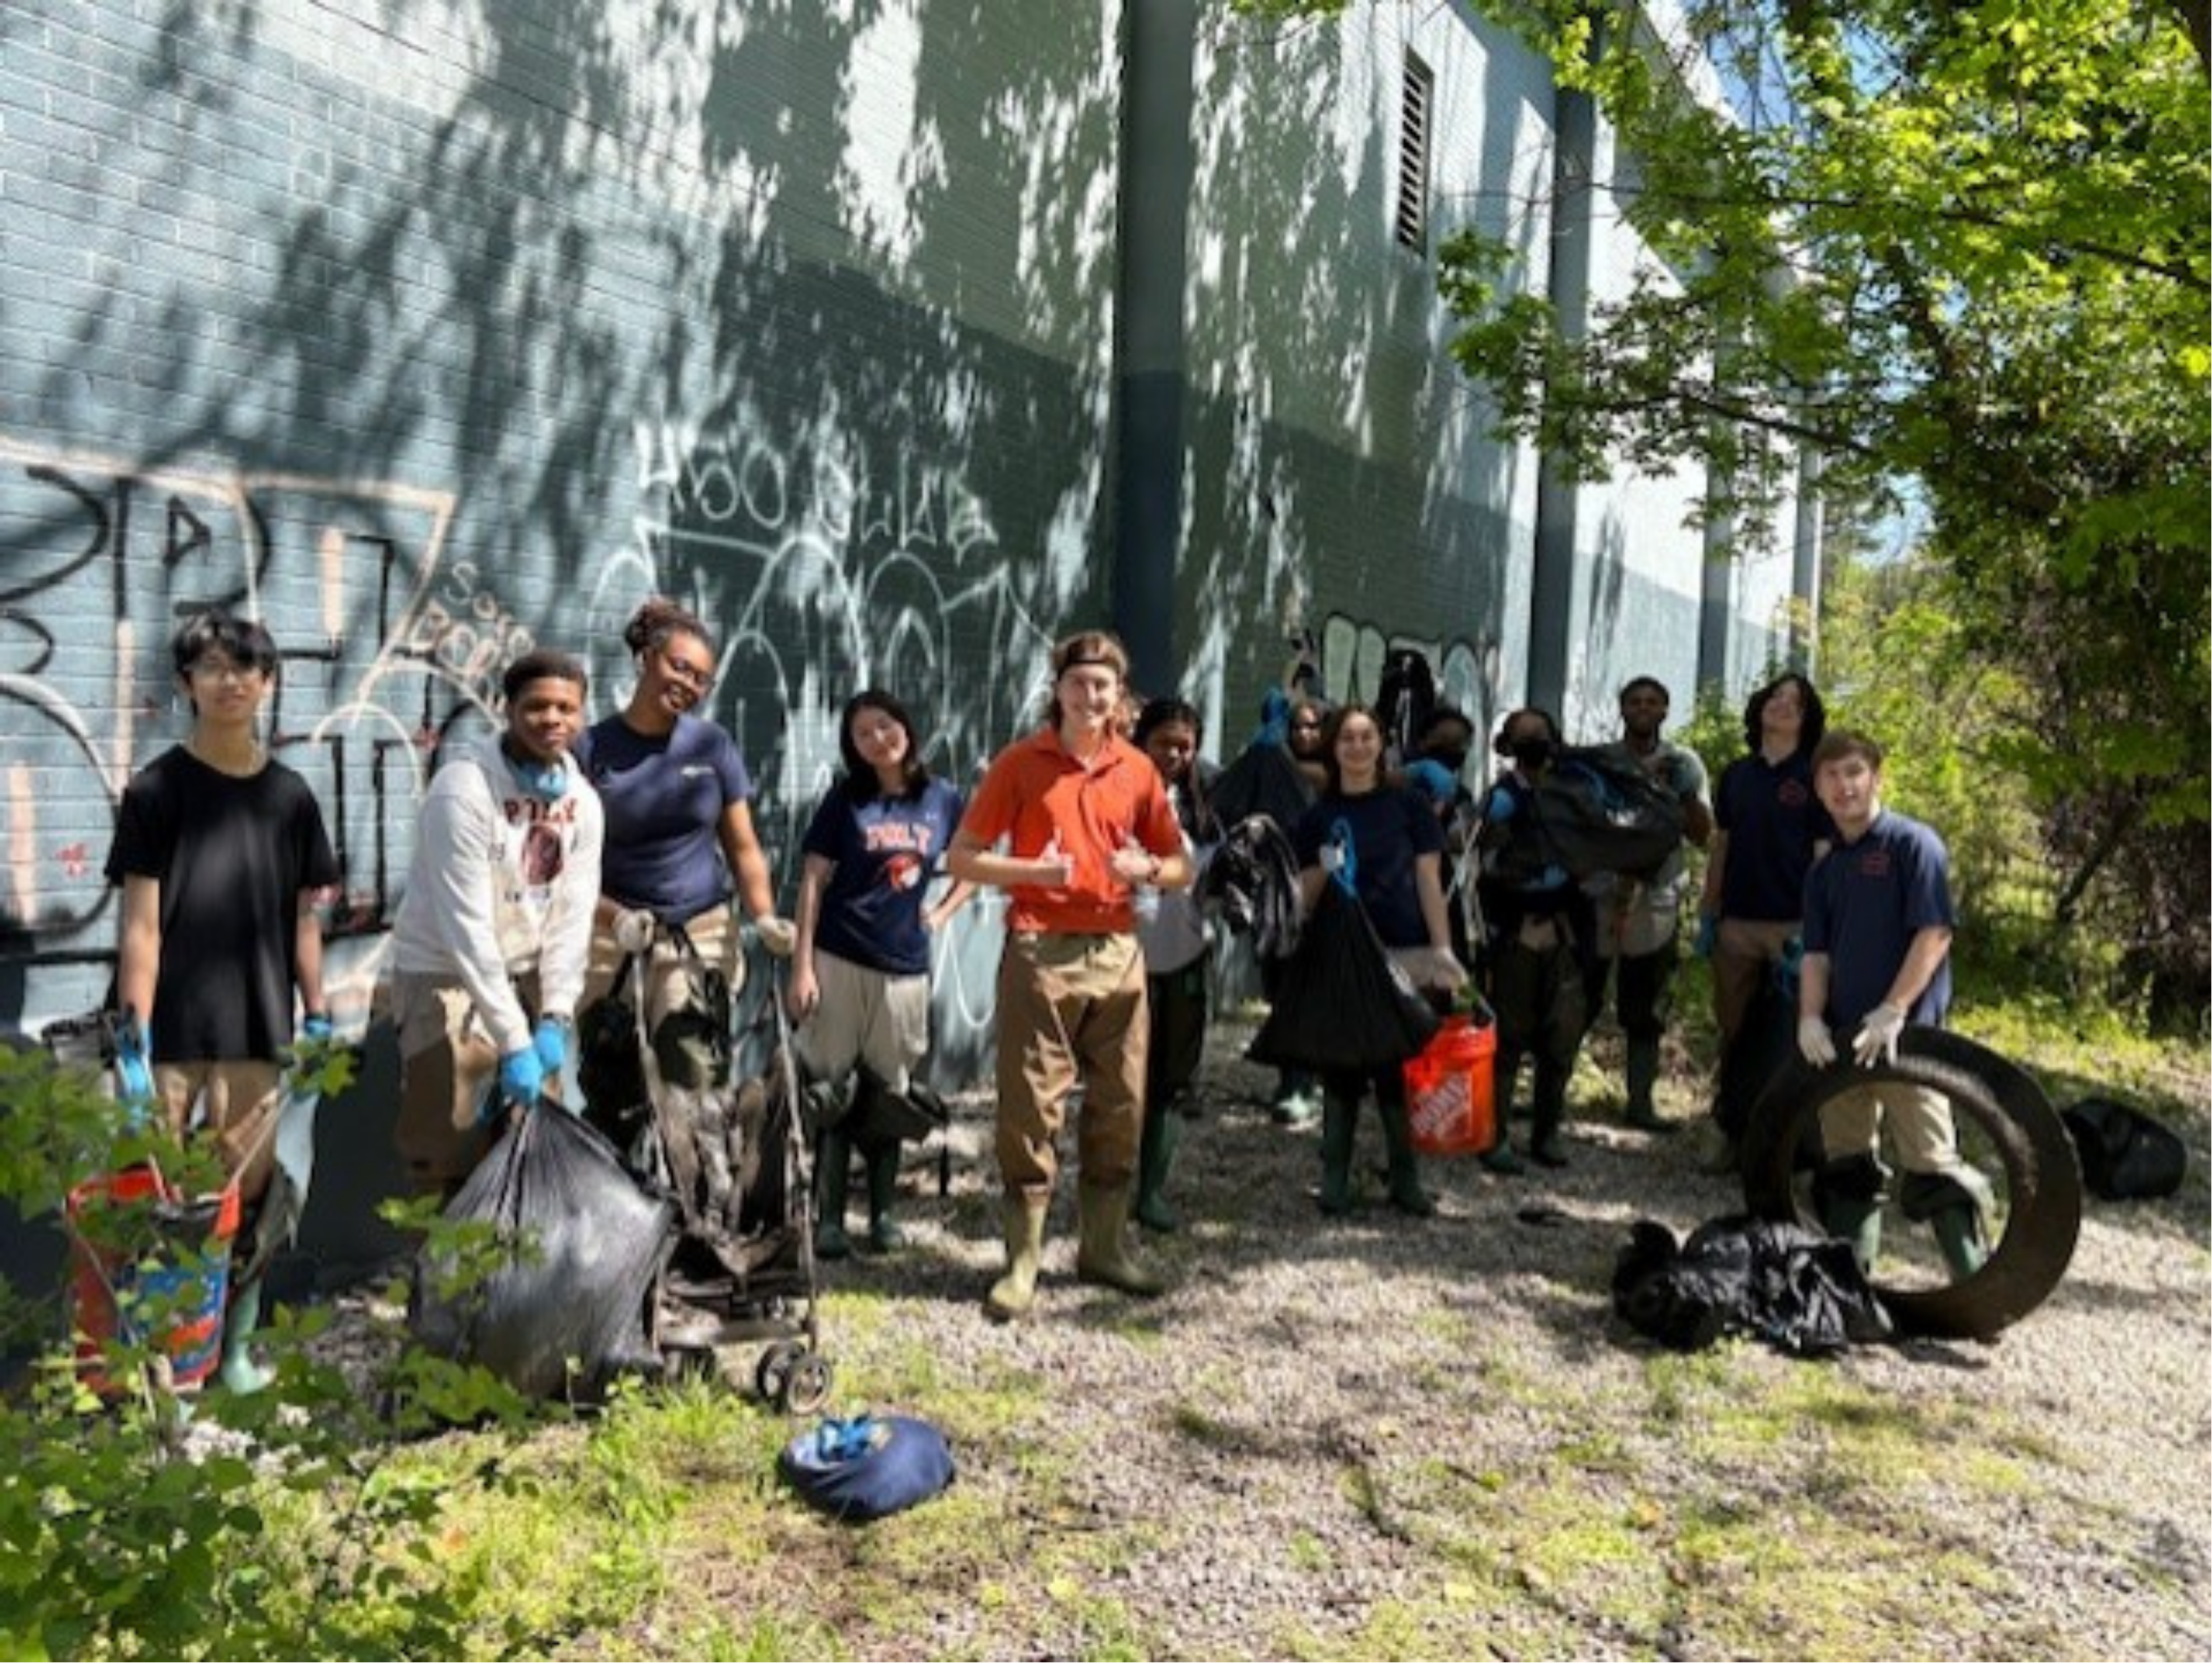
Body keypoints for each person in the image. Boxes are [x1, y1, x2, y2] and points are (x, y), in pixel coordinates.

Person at [104, 610, 340, 1393]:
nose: (229, 680)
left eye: (245, 667)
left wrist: (320, 1008)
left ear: (268, 682)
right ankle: (159, 1358)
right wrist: (132, 1031)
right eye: (210, 667)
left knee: (248, 1190)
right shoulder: (155, 789)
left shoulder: (292, 798)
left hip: (260, 1023)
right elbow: (140, 924)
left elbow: (304, 915)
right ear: (185, 685)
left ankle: (230, 1348)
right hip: (167, 1028)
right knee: (160, 1194)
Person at [946, 630, 1192, 1322]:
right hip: (1039, 948)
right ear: (1059, 690)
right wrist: (1030, 873)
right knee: (1031, 1107)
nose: (1091, 697)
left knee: (1121, 1103)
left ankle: (1103, 1248)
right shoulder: (1022, 764)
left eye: (1104, 687)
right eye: (1079, 684)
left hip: (1118, 951)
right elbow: (962, 858)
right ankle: (1022, 1261)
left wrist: (1148, 870)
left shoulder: (1138, 770)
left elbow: (1180, 867)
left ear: (1119, 699)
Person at [388, 650, 603, 1196]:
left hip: (526, 970)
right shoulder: (463, 791)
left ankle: (515, 1277)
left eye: (566, 708)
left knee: (531, 1140)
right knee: (449, 1143)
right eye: (536, 706)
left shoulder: (582, 802)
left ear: (581, 715)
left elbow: (572, 915)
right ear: (507, 710)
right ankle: (443, 1279)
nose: (552, 719)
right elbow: (467, 928)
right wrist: (512, 1041)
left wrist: (555, 1014)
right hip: (446, 974)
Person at [572, 600, 791, 1097]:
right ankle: (624, 1174)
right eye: (679, 667)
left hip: (699, 932)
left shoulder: (712, 746)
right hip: (612, 939)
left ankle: (698, 1177)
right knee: (615, 1091)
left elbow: (743, 846)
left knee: (695, 1085)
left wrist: (764, 916)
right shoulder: (589, 749)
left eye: (701, 680)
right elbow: (564, 863)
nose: (688, 685)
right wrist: (614, 918)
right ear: (647, 659)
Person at [1796, 731, 1991, 1279]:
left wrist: (1895, 1009)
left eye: (1854, 772)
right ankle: (1849, 1286)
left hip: (1909, 1042)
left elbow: (1934, 933)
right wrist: (1810, 1018)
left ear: (1877, 778)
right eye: (1831, 776)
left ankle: (1977, 1290)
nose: (1844, 786)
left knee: (1934, 1168)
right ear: (1818, 788)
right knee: (1849, 1165)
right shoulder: (1824, 870)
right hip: (1843, 1043)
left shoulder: (1913, 845)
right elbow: (1815, 955)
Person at [787, 690, 973, 1259]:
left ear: (906, 728)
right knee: (833, 1090)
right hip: (840, 959)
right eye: (862, 734)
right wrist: (802, 964)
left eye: (884, 726)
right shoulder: (846, 799)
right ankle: (830, 1219)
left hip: (903, 967)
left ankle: (884, 1216)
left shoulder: (942, 799)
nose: (877, 740)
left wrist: (941, 913)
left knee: (891, 1092)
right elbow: (813, 880)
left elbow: (972, 862)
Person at [1292, 702, 1467, 1216]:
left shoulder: (1408, 806)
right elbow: (1303, 895)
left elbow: (1429, 879)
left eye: (1367, 737)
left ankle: (1405, 1179)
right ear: (1333, 747)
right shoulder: (1319, 815)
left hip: (1405, 948)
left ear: (1382, 743)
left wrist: (1443, 952)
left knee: (1397, 1064)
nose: (1357, 747)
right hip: (1342, 952)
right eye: (1347, 738)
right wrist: (1326, 868)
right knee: (1343, 1066)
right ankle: (1335, 1180)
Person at [1696, 670, 1835, 1167]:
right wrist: (1709, 912)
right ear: (1760, 710)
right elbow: (1722, 846)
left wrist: (1817, 931)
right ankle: (1727, 1128)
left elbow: (1824, 860)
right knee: (1733, 1032)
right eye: (1774, 697)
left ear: (1805, 719)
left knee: (1796, 1036)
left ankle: (1795, 1141)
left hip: (1792, 931)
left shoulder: (1817, 778)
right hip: (1737, 926)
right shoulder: (1736, 775)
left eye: (1793, 703)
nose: (1781, 706)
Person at [1582, 678, 1713, 1131]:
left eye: (1652, 702)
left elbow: (1702, 834)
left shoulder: (1684, 763)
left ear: (1665, 710)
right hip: (1601, 889)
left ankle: (1639, 1102)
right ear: (1622, 709)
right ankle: (1553, 1094)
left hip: (1656, 891)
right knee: (1582, 991)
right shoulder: (1601, 761)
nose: (1643, 709)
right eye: (1635, 702)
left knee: (1646, 1001)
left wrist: (1682, 793)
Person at [1474, 707, 1596, 1171]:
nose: (1534, 745)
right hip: (1515, 934)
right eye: (1523, 738)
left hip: (1566, 932)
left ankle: (1547, 1133)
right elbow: (1480, 862)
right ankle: (1495, 1135)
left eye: (1540, 736)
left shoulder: (1571, 795)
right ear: (1508, 745)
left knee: (1561, 1038)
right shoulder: (1501, 799)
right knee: (1507, 1038)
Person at [1130, 696, 1222, 1233]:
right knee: (1123, 1079)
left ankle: (1153, 1189)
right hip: (1125, 958)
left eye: (1184, 745)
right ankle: (1112, 1187)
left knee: (1171, 1079)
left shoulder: (1205, 803)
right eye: (1163, 741)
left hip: (1186, 952)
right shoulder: (1119, 794)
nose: (1173, 753)